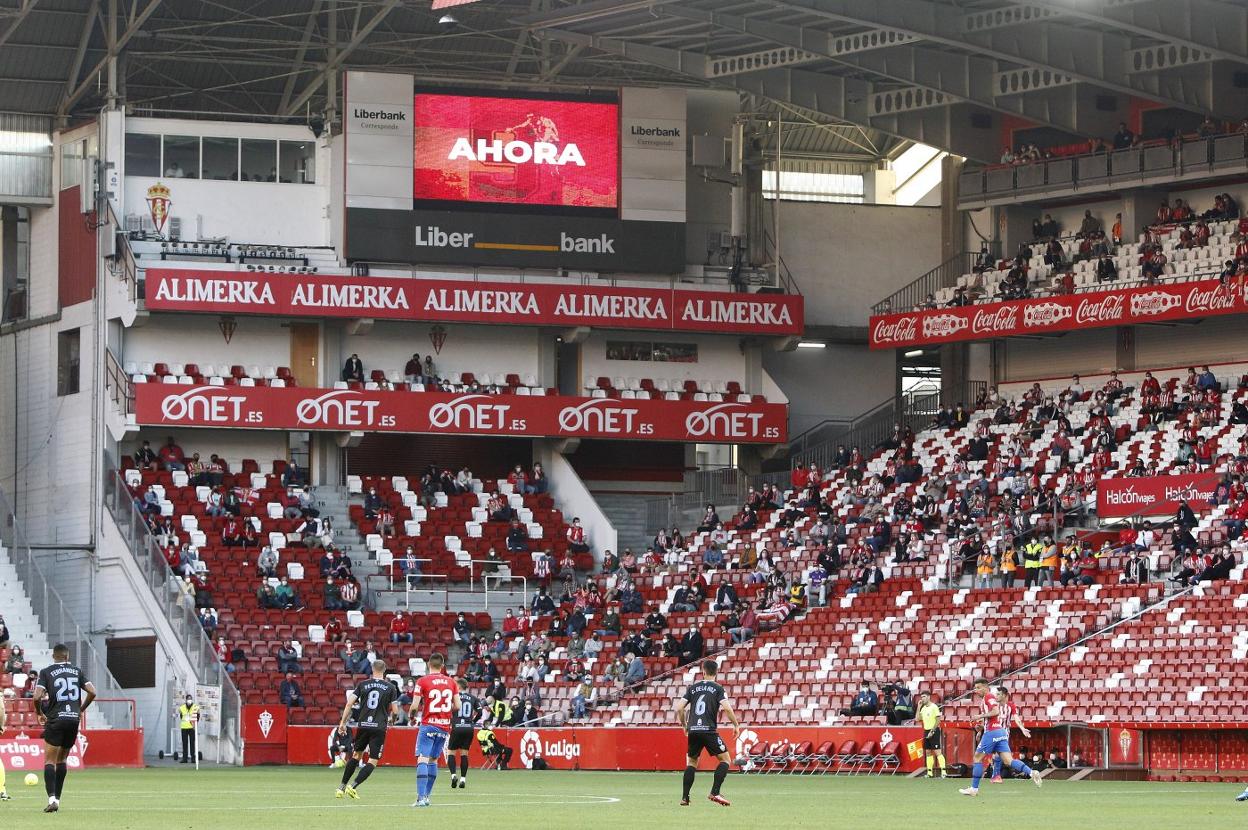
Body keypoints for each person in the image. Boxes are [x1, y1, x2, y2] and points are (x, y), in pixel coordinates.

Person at [32, 643, 97, 812]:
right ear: (67, 657)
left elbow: (37, 696)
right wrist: (80, 709)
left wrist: (39, 713)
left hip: (56, 719)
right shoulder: (77, 671)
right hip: (73, 720)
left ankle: (52, 798)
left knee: (49, 761)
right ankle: (58, 801)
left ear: (54, 656)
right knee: (62, 760)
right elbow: (92, 691)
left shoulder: (46, 672)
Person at [959, 678, 1042, 797]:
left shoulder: (988, 697)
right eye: (975, 688)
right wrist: (981, 726)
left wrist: (980, 716)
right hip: (1001, 732)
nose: (976, 690)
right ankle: (1032, 772)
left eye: (978, 688)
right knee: (1009, 761)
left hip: (992, 732)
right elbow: (991, 716)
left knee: (977, 758)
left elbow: (996, 711)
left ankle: (974, 789)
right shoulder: (988, 698)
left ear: (985, 687)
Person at [676, 659, 741, 807]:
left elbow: (679, 708)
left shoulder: (693, 688)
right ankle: (715, 792)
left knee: (691, 762)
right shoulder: (718, 688)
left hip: (693, 730)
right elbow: (727, 708)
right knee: (725, 760)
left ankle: (685, 798)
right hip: (709, 730)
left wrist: (685, 725)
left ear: (703, 672)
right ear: (716, 673)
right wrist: (736, 725)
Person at [335, 659, 400, 800]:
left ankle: (341, 787)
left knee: (356, 756)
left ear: (372, 669)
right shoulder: (390, 687)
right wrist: (392, 720)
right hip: (379, 727)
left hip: (363, 725)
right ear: (384, 670)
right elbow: (395, 711)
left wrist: (342, 723)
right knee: (373, 760)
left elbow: (349, 703)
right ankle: (353, 786)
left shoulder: (362, 684)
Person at [410, 653, 460, 807]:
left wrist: (412, 715)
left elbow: (414, 706)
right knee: (433, 760)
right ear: (442, 665)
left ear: (428, 665)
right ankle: (427, 797)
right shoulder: (451, 682)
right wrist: (445, 712)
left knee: (422, 759)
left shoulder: (422, 681)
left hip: (428, 725)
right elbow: (457, 706)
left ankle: (420, 798)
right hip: (444, 726)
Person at [447, 677, 479, 790]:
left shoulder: (453, 697)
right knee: (464, 754)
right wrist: (473, 722)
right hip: (468, 728)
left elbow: (447, 709)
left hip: (457, 727)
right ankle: (463, 779)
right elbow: (480, 712)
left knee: (451, 753)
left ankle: (453, 775)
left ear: (458, 687)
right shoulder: (473, 698)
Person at [917, 691, 947, 778]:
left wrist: (932, 731)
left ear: (929, 697)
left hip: (934, 730)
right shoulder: (923, 708)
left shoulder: (934, 707)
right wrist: (918, 707)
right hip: (926, 730)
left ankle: (944, 772)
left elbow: (938, 720)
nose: (922, 698)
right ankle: (930, 773)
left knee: (937, 751)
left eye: (924, 696)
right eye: (921, 697)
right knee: (928, 752)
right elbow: (917, 718)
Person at [176, 692, 200, 764]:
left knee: (192, 743)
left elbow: (198, 715)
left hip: (192, 727)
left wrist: (195, 723)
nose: (189, 700)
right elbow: (181, 716)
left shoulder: (195, 707)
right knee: (184, 743)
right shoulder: (182, 707)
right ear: (186, 700)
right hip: (184, 727)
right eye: (188, 699)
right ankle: (185, 758)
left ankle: (193, 758)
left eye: (190, 699)